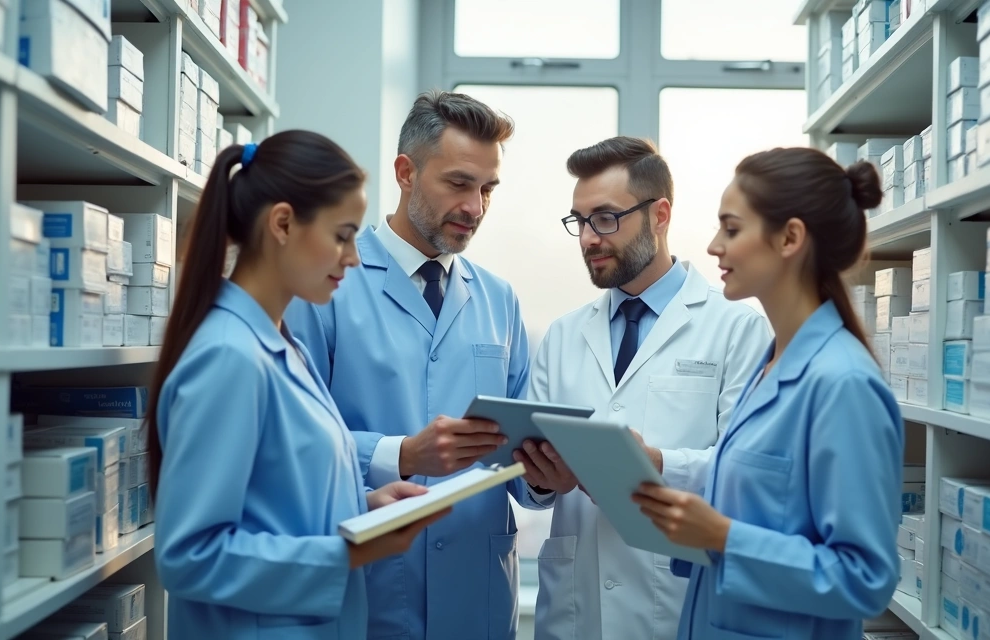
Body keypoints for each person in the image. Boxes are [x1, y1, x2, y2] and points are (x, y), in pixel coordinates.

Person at [149, 130, 447, 640]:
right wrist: (347, 550)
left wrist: (363, 511)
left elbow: (276, 503)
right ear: (283, 223)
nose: (352, 258)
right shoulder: (228, 357)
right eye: (342, 235)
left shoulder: (284, 345)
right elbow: (189, 557)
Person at [284, 90, 551, 640]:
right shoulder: (326, 287)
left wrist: (546, 476)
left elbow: (520, 471)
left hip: (477, 602)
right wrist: (400, 455)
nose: (475, 207)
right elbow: (291, 444)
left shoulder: (500, 300)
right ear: (406, 172)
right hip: (371, 594)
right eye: (458, 183)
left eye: (487, 189)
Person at [631, 147, 904, 639]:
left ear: (790, 238)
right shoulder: (771, 361)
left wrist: (722, 537)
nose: (715, 246)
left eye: (732, 229)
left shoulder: (843, 384)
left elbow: (866, 580)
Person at [514, 136, 771, 640]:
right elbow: (530, 491)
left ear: (660, 214)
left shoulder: (737, 330)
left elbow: (749, 476)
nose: (589, 237)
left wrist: (657, 464)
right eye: (580, 221)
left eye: (606, 218)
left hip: (674, 605)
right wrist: (542, 478)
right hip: (574, 611)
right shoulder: (564, 335)